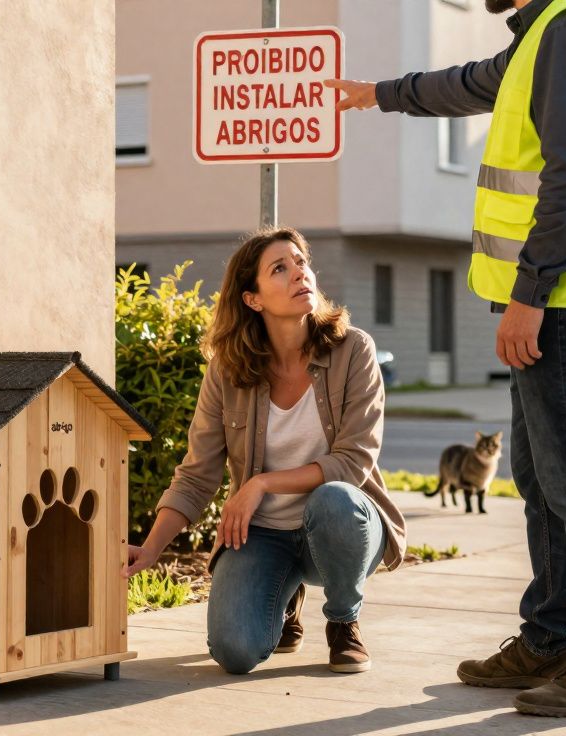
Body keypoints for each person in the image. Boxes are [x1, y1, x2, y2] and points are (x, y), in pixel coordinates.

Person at [326, 0, 566, 718]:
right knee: (543, 479)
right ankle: (549, 639)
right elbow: (466, 84)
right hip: (554, 297)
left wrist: (530, 293)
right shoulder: (541, 37)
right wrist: (376, 95)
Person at [122, 227, 407, 676]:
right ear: (253, 299)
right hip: (264, 534)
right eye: (280, 268)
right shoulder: (228, 370)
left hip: (340, 527)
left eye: (301, 261)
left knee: (333, 499)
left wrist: (262, 483)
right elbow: (198, 473)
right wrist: (152, 548)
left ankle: (343, 621)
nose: (300, 273)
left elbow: (354, 461)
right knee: (234, 652)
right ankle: (285, 600)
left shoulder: (354, 350)